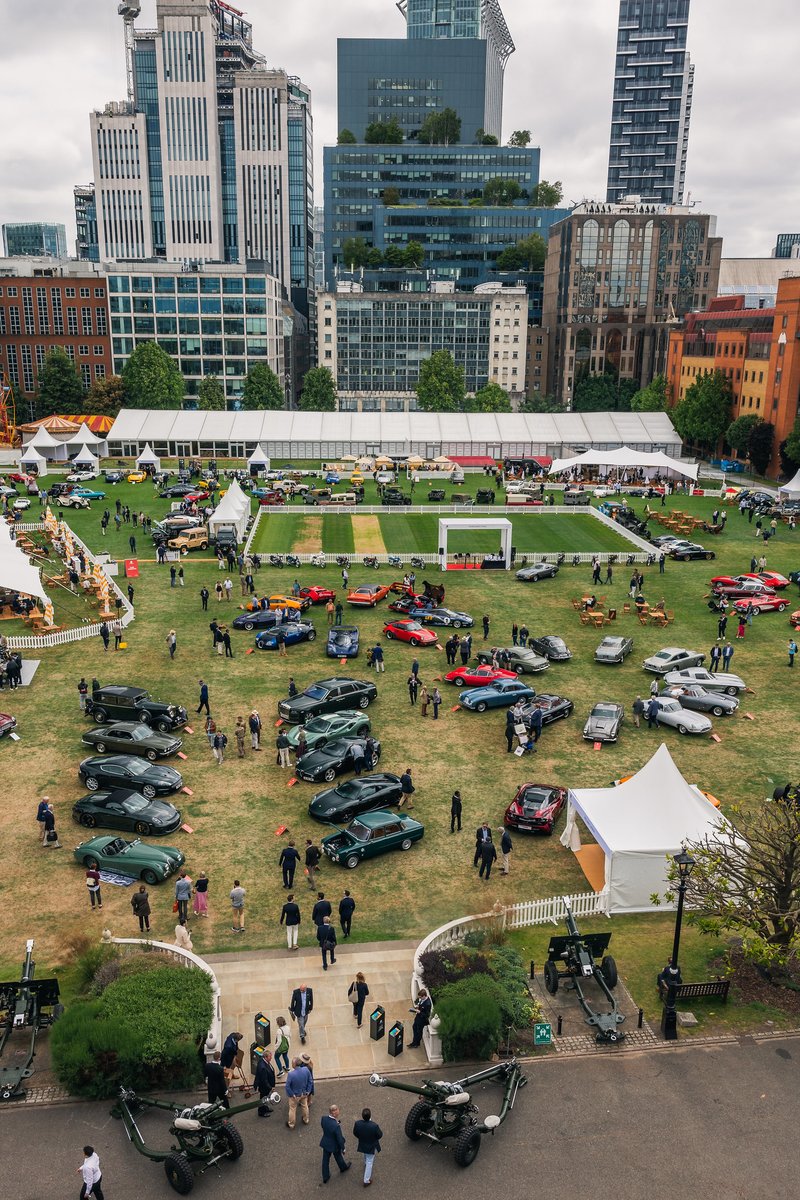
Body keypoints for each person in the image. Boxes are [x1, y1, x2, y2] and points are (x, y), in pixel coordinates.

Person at [320, 1103, 351, 1183]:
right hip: (334, 1145)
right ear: (334, 1113)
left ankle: (325, 1176)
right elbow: (340, 1139)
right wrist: (343, 1148)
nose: (338, 1112)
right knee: (338, 1156)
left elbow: (324, 1126)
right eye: (337, 1111)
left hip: (326, 1143)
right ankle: (343, 1167)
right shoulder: (336, 1126)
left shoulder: (324, 1118)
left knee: (325, 1160)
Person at [353, 1107, 383, 1188]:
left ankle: (365, 1163)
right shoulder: (374, 1126)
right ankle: (366, 1180)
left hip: (362, 1143)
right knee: (370, 1162)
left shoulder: (358, 1124)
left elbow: (355, 1133)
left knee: (365, 1155)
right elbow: (380, 1135)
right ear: (370, 1116)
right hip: (371, 1146)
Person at [285, 1056, 314, 1130]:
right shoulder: (306, 1070)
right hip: (304, 1093)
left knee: (292, 1109)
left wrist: (292, 1094)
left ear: (294, 1064)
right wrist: (308, 1091)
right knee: (305, 1106)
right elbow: (310, 1081)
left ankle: (291, 1124)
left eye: (292, 1063)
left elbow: (287, 1086)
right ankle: (306, 1119)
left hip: (295, 1095)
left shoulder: (291, 1074)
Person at [254, 1049, 277, 1118]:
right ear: (266, 1057)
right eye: (270, 1057)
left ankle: (265, 1108)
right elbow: (264, 1080)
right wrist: (271, 1088)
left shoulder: (264, 1060)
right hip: (264, 1087)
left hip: (266, 1086)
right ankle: (261, 1112)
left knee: (266, 1098)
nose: (271, 1058)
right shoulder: (263, 1067)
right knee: (263, 1099)